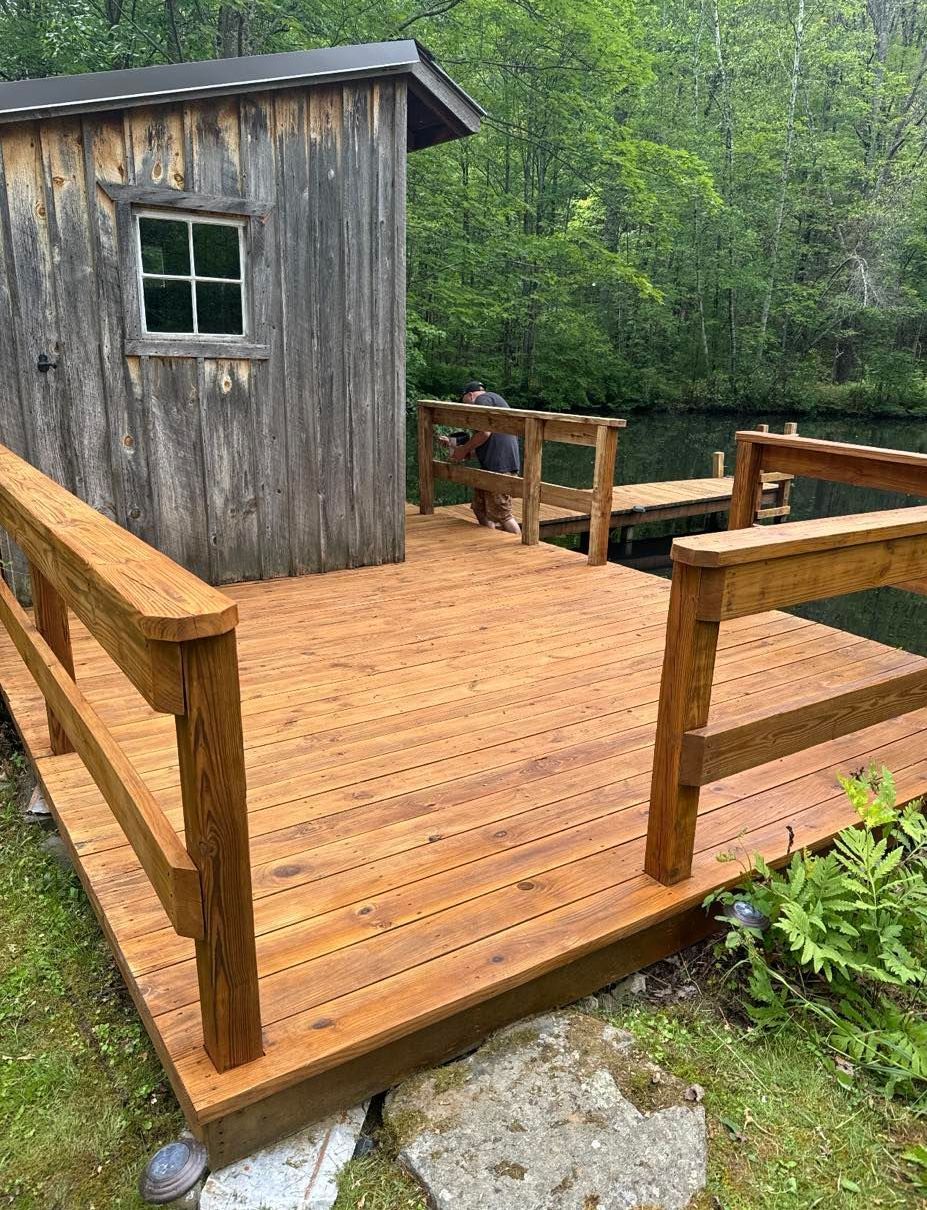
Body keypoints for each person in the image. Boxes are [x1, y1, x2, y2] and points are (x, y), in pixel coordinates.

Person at [448, 380, 522, 536]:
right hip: (492, 465)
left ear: (470, 395)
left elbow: (485, 432)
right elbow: (486, 441)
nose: (466, 407)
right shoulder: (493, 402)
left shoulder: (483, 399)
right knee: (479, 508)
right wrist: (460, 450)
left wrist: (463, 450)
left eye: (464, 402)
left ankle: (523, 546)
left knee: (503, 514)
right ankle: (491, 538)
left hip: (501, 466)